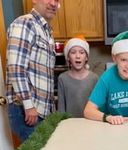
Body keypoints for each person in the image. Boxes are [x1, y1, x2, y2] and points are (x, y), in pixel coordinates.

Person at [6, 0, 60, 142]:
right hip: (27, 111)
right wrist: (29, 106)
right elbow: (16, 68)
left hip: (41, 111)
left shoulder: (46, 31)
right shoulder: (25, 24)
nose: (54, 4)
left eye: (57, 0)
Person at [57, 35, 98, 117]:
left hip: (90, 124)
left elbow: (98, 106)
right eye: (73, 52)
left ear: (86, 57)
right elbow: (61, 108)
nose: (78, 56)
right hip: (70, 124)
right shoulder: (62, 79)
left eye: (82, 52)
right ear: (68, 57)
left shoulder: (94, 78)